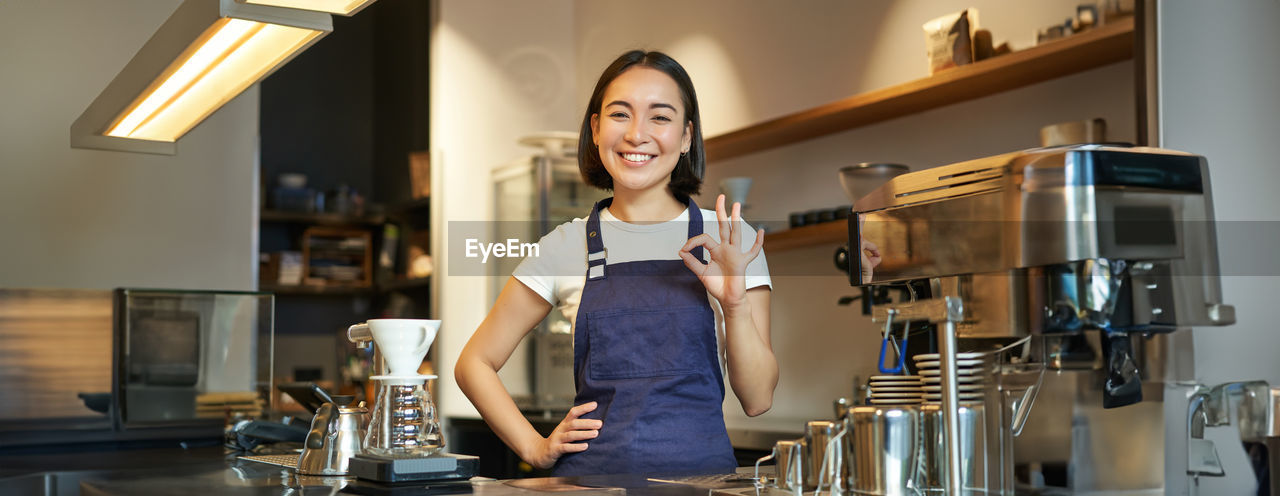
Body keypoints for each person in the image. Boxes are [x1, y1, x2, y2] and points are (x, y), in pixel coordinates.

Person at [454, 50, 777, 476]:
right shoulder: (565, 246)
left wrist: (734, 307)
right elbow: (473, 363)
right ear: (596, 128)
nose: (636, 134)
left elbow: (757, 400)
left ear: (685, 137)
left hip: (702, 484)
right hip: (589, 484)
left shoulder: (733, 240)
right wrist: (534, 447)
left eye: (659, 117)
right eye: (620, 114)